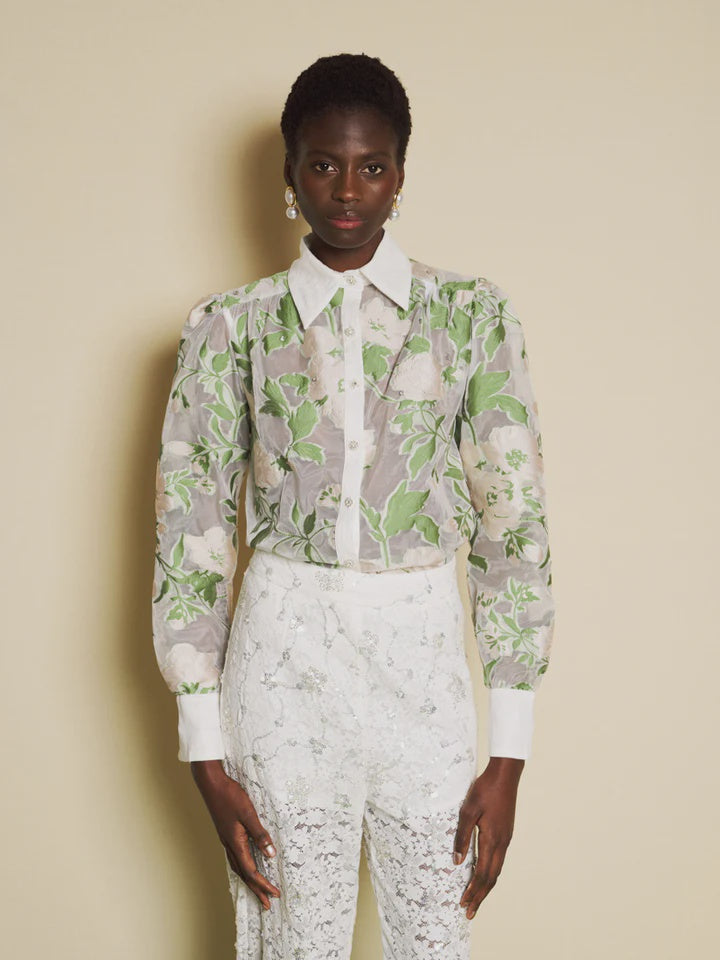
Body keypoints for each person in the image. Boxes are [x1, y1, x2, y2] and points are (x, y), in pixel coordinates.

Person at [152, 52, 555, 960]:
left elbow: (513, 528)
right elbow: (191, 533)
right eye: (323, 164)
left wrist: (510, 753)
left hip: (422, 665)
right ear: (289, 173)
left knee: (435, 940)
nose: (346, 189)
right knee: (293, 941)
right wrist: (204, 751)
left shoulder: (471, 317)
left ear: (400, 175)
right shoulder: (230, 326)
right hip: (282, 664)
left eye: (372, 166)